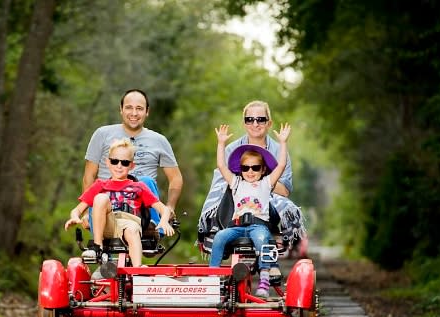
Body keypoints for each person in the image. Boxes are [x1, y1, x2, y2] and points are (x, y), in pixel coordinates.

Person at [197, 100, 306, 274]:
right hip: (235, 200)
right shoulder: (231, 149)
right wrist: (244, 184)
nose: (255, 123)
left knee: (278, 204)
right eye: (250, 119)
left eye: (260, 119)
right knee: (225, 194)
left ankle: (270, 264)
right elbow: (221, 179)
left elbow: (284, 190)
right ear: (244, 123)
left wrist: (259, 182)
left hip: (267, 203)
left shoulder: (278, 150)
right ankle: (216, 255)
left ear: (268, 123)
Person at [209, 123, 292, 298]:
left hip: (258, 225)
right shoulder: (236, 182)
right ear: (241, 169)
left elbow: (281, 165)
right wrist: (221, 144)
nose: (250, 171)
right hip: (237, 225)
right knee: (220, 236)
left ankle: (263, 279)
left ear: (263, 170)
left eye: (255, 168)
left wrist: (283, 143)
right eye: (246, 168)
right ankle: (213, 276)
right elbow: (221, 166)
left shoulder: (266, 183)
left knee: (263, 239)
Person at [65, 138, 175, 267]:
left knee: (132, 230)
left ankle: (137, 269)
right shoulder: (100, 185)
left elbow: (164, 209)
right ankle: (97, 248)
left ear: (131, 166)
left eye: (124, 163)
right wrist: (74, 217)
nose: (119, 166)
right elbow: (77, 210)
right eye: (115, 161)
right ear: (108, 162)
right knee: (101, 198)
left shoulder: (139, 187)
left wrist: (163, 221)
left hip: (130, 223)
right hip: (108, 223)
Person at [82, 89, 183, 225]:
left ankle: (153, 227)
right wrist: (86, 213)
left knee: (145, 181)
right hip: (107, 204)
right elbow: (89, 176)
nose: (134, 113)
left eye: (139, 108)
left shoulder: (159, 140)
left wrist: (170, 207)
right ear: (121, 110)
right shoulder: (102, 134)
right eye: (129, 108)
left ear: (147, 111)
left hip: (144, 208)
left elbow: (175, 177)